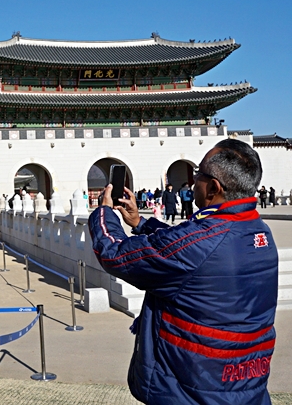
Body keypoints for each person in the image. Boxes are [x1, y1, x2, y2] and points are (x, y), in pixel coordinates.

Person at [88, 139, 278, 404]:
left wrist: (103, 213)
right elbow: (187, 247)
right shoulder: (258, 232)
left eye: (198, 173)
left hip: (192, 389)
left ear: (214, 187)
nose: (194, 179)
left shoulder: (201, 241)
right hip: (245, 381)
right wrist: (140, 223)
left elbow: (116, 254)